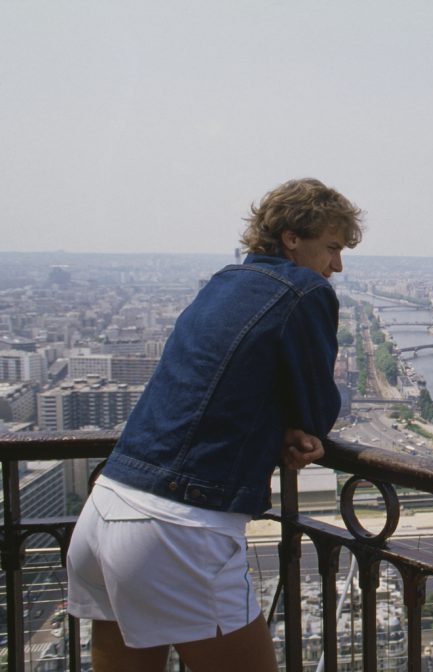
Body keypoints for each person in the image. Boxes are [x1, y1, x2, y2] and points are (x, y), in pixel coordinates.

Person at [66, 178, 363, 671]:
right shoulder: (304, 289)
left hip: (106, 508)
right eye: (331, 248)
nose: (337, 265)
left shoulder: (224, 282)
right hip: (177, 528)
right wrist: (296, 428)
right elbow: (316, 410)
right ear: (292, 237)